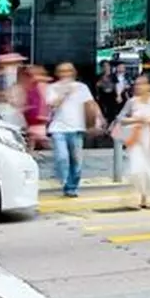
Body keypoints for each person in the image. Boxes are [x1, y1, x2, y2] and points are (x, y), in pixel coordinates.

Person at [47, 63, 101, 197]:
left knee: (76, 161)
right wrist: (64, 92)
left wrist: (98, 119)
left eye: (68, 71)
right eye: (62, 71)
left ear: (73, 72)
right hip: (58, 127)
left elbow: (90, 104)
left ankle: (71, 188)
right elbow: (52, 104)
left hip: (77, 128)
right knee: (62, 157)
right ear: (57, 73)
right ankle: (64, 179)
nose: (65, 74)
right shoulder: (52, 88)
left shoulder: (82, 87)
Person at [121, 75, 150, 210]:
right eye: (137, 84)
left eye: (142, 84)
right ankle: (137, 195)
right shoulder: (132, 102)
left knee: (149, 169)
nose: (138, 87)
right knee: (136, 168)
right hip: (136, 138)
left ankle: (147, 198)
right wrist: (136, 119)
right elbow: (121, 118)